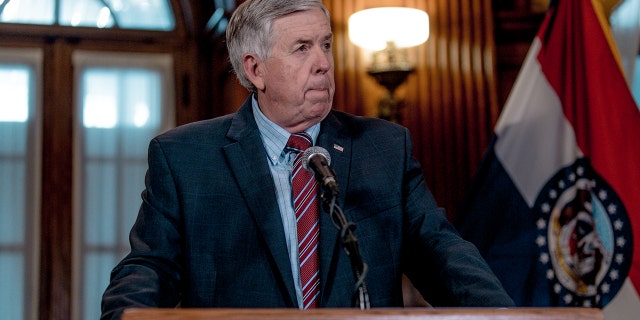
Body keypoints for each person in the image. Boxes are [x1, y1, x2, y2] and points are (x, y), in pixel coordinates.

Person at [101, 0, 514, 318]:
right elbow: (149, 269)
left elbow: (443, 255)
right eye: (301, 48)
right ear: (255, 70)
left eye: (326, 45)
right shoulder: (186, 159)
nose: (323, 64)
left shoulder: (384, 149)